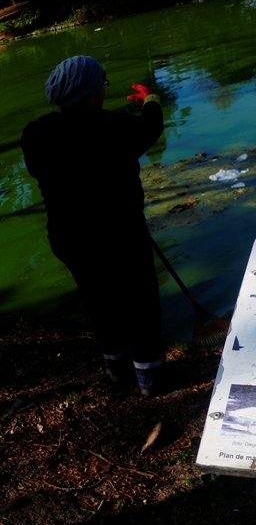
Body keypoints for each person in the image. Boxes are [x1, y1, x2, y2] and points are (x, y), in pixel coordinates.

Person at [21, 55, 166, 396]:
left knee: (98, 301)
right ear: (91, 95)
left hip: (70, 239)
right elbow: (149, 128)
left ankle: (116, 370)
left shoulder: (35, 134)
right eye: (102, 84)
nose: (104, 89)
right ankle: (151, 381)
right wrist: (150, 99)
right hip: (119, 237)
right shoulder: (112, 129)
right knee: (138, 304)